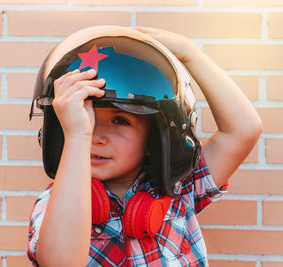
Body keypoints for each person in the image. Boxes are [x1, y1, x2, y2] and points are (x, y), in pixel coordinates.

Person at [27, 25, 262, 266]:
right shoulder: (55, 202)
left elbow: (243, 130)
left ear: (153, 139)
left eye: (120, 120)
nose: (96, 136)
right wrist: (77, 134)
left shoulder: (180, 189)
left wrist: (191, 55)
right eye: (86, 118)